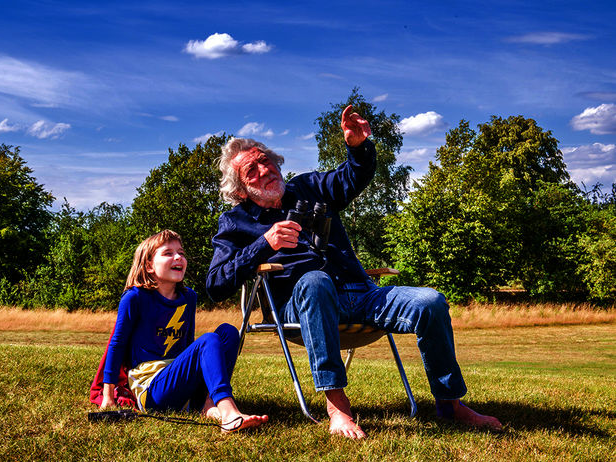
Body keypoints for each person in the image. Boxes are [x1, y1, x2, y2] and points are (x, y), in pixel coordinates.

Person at [206, 106, 502, 439]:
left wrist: (359, 147)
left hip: (360, 292)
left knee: (430, 301)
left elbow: (353, 176)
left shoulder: (310, 187)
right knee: (315, 281)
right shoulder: (235, 222)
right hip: (301, 305)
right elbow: (215, 284)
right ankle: (337, 407)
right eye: (252, 170)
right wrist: (264, 243)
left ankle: (450, 403)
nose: (265, 169)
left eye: (266, 160)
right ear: (241, 190)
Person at [101, 229, 268, 432]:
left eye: (181, 252)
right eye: (168, 253)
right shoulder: (135, 297)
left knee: (228, 332)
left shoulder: (189, 297)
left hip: (178, 381)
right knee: (208, 340)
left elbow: (187, 346)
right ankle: (229, 413)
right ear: (148, 265)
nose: (178, 257)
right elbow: (116, 344)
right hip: (152, 390)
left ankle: (208, 404)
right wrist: (108, 397)